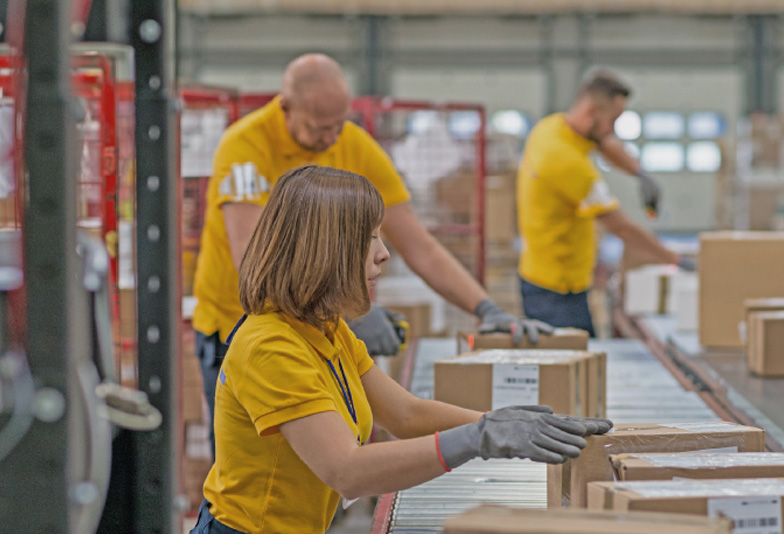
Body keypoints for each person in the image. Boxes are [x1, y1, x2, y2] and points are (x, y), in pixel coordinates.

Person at [188, 165, 612, 534]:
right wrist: (478, 439)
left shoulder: (324, 329)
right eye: (368, 238)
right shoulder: (270, 347)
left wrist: (502, 425)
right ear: (323, 249)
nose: (383, 254)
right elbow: (347, 471)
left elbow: (405, 414)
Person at [192, 53, 553, 457]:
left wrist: (486, 308)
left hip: (317, 324)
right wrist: (350, 312)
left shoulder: (351, 144)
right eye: (319, 128)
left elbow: (421, 246)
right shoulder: (245, 146)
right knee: (262, 458)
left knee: (314, 460)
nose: (331, 138)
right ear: (286, 107)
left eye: (338, 125)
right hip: (237, 323)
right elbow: (254, 259)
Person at [516, 69, 694, 337]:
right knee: (576, 367)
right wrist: (676, 260)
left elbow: (604, 143)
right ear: (591, 110)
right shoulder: (568, 164)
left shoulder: (552, 128)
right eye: (613, 119)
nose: (613, 129)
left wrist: (639, 173)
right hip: (556, 291)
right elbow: (620, 227)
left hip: (550, 278)